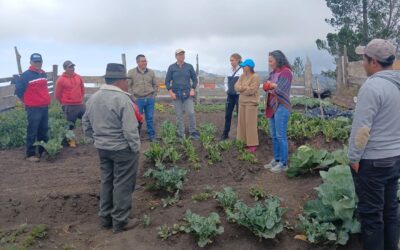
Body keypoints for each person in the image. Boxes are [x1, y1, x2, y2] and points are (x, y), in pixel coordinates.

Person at [348, 39, 400, 250]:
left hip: (373, 161)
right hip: (395, 158)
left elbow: (362, 129)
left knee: (371, 217)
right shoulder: (397, 84)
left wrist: (353, 158)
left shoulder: (372, 86)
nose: (362, 62)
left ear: (374, 62)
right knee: (390, 210)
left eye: (364, 58)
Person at [82, 63, 140, 233]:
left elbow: (85, 123)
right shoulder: (122, 99)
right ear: (120, 81)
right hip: (122, 149)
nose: (127, 84)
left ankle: (105, 217)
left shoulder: (93, 98)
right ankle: (120, 221)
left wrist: (96, 138)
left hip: (102, 147)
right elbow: (130, 129)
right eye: (126, 80)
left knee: (107, 181)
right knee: (123, 183)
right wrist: (135, 148)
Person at [15, 53, 51, 162]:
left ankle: (42, 151)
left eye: (39, 61)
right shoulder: (25, 76)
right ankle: (30, 154)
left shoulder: (43, 74)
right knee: (32, 130)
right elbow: (19, 91)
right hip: (33, 108)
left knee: (43, 130)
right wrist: (27, 102)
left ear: (42, 62)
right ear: (30, 62)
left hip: (44, 106)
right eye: (35, 61)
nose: (37, 63)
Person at [263, 50, 293, 173]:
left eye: (271, 61)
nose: (269, 63)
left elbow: (281, 90)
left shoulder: (286, 72)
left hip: (282, 106)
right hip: (271, 106)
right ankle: (277, 159)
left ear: (278, 59)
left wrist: (272, 86)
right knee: (274, 135)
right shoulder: (274, 72)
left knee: (281, 136)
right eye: (268, 61)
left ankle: (284, 163)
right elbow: (265, 86)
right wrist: (271, 85)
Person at [165, 49, 200, 139]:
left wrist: (193, 89)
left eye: (183, 54)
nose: (181, 56)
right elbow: (167, 81)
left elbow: (195, 79)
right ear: (176, 56)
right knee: (179, 114)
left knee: (191, 113)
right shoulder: (171, 67)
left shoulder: (189, 67)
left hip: (187, 93)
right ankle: (181, 133)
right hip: (176, 94)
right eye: (179, 55)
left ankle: (193, 132)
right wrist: (170, 92)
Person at [127, 54, 158, 141]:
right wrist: (133, 98)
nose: (145, 63)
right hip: (138, 100)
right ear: (137, 62)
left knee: (150, 118)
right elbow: (128, 86)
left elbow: (155, 85)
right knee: (137, 119)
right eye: (142, 61)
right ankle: (136, 136)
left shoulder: (151, 72)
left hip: (149, 99)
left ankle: (152, 136)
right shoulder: (131, 72)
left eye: (145, 61)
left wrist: (153, 96)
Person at [55, 60, 85, 147]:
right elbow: (57, 95)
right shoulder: (61, 80)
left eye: (73, 66)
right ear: (65, 68)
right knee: (70, 125)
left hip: (80, 104)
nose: (72, 68)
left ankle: (93, 138)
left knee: (88, 119)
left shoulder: (78, 77)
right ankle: (67, 142)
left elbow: (82, 89)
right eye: (70, 67)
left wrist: (80, 99)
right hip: (69, 106)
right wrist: (65, 103)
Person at [234, 59, 261, 153]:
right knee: (242, 124)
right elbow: (236, 87)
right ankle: (243, 142)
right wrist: (244, 88)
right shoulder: (242, 76)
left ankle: (252, 145)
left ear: (249, 67)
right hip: (242, 102)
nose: (242, 67)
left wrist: (242, 89)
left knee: (250, 125)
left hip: (251, 103)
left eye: (244, 66)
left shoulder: (255, 77)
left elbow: (252, 91)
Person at [221, 53, 242, 140]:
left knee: (239, 115)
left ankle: (240, 136)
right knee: (228, 115)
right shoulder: (229, 70)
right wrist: (227, 90)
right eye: (230, 60)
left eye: (232, 60)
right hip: (230, 96)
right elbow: (225, 81)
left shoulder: (242, 71)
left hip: (239, 96)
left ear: (238, 60)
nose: (231, 62)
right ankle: (225, 134)